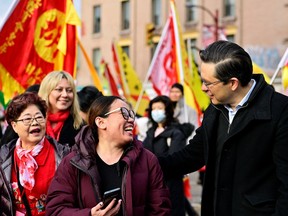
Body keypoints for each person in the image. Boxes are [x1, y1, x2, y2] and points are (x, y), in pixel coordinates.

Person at [159, 40, 288, 216]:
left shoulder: (280, 111)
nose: (203, 88)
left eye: (208, 83)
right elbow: (192, 155)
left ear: (233, 83)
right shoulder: (215, 109)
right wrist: (145, 162)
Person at [45, 95, 171, 216]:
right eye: (124, 113)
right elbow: (56, 210)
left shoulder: (147, 160)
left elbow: (160, 209)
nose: (131, 120)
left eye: (131, 114)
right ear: (101, 122)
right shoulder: (73, 162)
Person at [0, 92, 70, 216]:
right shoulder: (3, 157)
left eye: (39, 117)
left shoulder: (63, 155)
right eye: (27, 119)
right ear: (14, 126)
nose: (35, 122)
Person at [143, 95, 193, 216]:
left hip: (170, 184)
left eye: (159, 108)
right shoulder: (150, 132)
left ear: (167, 110)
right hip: (151, 185)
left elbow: (174, 160)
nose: (156, 111)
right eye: (153, 108)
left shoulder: (176, 133)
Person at [38, 71, 83, 147]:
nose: (65, 95)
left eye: (69, 90)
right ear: (47, 92)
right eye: (59, 89)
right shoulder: (31, 121)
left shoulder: (81, 126)